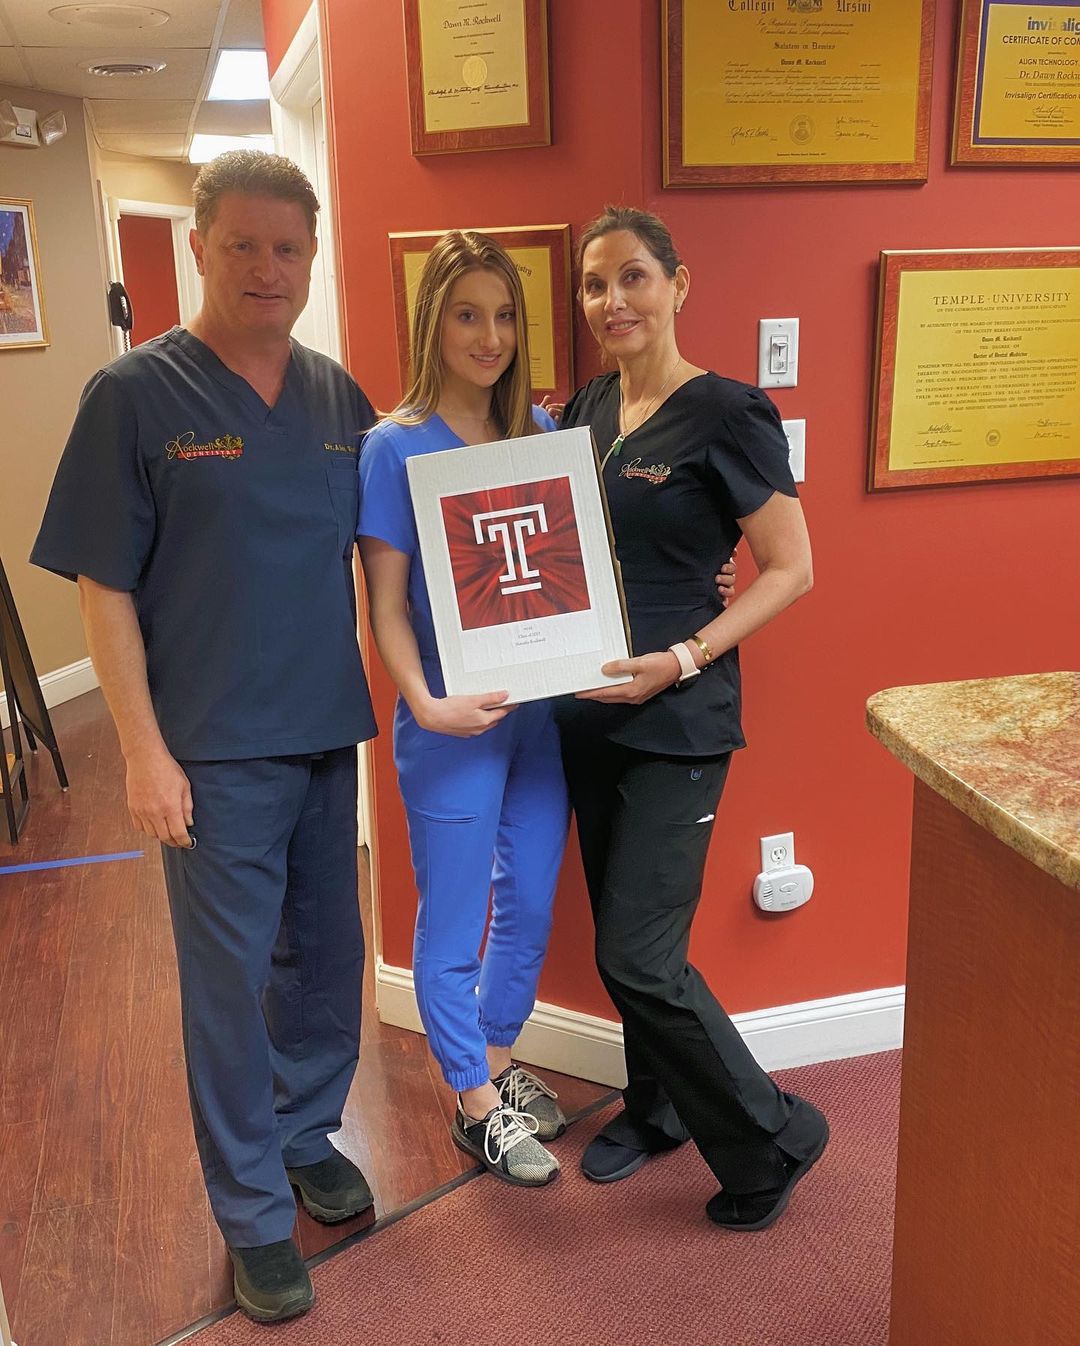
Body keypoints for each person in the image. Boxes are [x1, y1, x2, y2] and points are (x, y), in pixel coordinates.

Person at [31, 151, 375, 1323]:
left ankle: (303, 1131)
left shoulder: (339, 398)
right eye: (243, 244)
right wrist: (140, 750)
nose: (267, 268)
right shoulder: (134, 394)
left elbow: (387, 554)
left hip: (329, 732)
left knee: (326, 965)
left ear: (313, 256)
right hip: (213, 749)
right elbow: (102, 586)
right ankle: (253, 1214)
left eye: (289, 246)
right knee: (229, 987)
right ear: (198, 245)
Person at [555, 205, 829, 1231]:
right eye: (593, 285)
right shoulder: (583, 408)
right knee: (621, 934)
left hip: (680, 717)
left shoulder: (728, 411)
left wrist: (682, 654)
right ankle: (656, 1104)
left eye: (632, 277)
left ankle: (772, 1135)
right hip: (589, 714)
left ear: (677, 283)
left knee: (638, 950)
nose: (611, 301)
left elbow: (792, 568)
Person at [356, 231, 569, 1187]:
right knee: (452, 919)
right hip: (451, 718)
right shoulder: (394, 447)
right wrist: (423, 701)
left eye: (505, 315)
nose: (489, 336)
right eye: (467, 314)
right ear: (432, 324)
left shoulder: (537, 436)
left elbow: (571, 579)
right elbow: (386, 606)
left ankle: (495, 1051)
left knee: (526, 898)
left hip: (538, 714)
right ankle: (472, 1099)